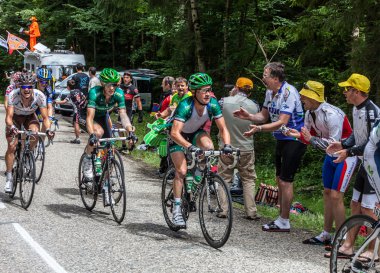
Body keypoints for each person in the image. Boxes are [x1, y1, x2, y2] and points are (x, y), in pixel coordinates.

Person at [233, 62, 306, 232]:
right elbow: (263, 116)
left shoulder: (289, 93)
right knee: (279, 178)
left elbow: (281, 121)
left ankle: (285, 220)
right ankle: (281, 218)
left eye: (265, 74)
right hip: (281, 138)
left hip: (294, 139)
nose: (263, 77)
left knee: (286, 180)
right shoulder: (269, 92)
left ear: (275, 77)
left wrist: (258, 129)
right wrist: (249, 116)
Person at [285, 80, 356, 245]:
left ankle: (341, 237)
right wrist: (296, 134)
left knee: (336, 195)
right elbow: (307, 137)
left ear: (313, 98)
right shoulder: (309, 113)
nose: (301, 98)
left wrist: (311, 138)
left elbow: (333, 144)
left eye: (304, 96)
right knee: (327, 193)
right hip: (330, 156)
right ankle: (325, 233)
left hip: (345, 155)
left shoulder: (332, 114)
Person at [326, 73, 380, 258]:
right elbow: (358, 136)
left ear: (357, 91)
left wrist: (348, 152)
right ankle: (349, 246)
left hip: (376, 164)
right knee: (355, 203)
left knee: (368, 208)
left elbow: (373, 142)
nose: (344, 92)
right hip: (365, 162)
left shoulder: (372, 111)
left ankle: (373, 251)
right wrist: (343, 144)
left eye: (347, 89)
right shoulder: (356, 109)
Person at [169, 72, 232, 228]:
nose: (207, 94)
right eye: (203, 90)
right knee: (182, 171)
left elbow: (223, 128)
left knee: (209, 147)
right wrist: (189, 147)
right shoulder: (185, 105)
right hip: (178, 137)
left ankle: (197, 179)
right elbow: (175, 132)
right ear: (194, 92)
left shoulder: (213, 103)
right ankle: (176, 208)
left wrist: (227, 146)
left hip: (196, 133)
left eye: (209, 90)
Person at [81, 68, 134, 204]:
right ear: (103, 84)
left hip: (103, 116)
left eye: (115, 85)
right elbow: (89, 117)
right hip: (88, 116)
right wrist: (92, 134)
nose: (112, 88)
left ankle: (106, 188)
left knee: (110, 149)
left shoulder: (119, 93)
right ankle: (87, 160)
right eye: (109, 84)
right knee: (98, 133)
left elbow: (123, 114)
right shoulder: (94, 93)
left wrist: (129, 130)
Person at [218, 77, 260, 220]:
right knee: (248, 179)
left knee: (224, 177)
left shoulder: (223, 101)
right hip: (246, 147)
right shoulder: (255, 105)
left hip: (226, 146)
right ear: (250, 91)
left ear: (236, 86)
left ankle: (223, 209)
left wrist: (231, 96)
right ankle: (251, 212)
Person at [4, 72, 54, 192]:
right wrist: (11, 127)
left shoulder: (40, 96)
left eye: (30, 87)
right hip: (15, 118)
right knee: (12, 146)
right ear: (20, 87)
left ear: (33, 87)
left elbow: (46, 118)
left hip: (30, 117)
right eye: (24, 87)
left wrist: (48, 130)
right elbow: (9, 117)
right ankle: (10, 177)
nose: (27, 90)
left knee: (35, 132)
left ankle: (27, 155)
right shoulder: (13, 95)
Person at [55, 79, 87, 144]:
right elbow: (84, 97)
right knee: (81, 121)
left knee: (76, 124)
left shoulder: (70, 93)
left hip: (76, 110)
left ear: (68, 87)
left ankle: (77, 139)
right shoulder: (79, 91)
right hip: (82, 109)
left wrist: (56, 102)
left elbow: (64, 101)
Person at [156, 76, 175, 177]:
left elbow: (168, 111)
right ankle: (163, 168)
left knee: (167, 148)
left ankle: (167, 170)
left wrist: (162, 122)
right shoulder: (167, 96)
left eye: (163, 83)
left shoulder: (171, 97)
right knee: (164, 147)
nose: (161, 85)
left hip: (168, 125)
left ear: (168, 85)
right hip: (164, 123)